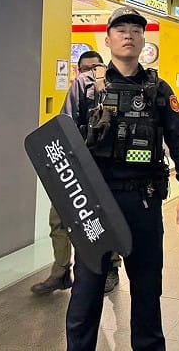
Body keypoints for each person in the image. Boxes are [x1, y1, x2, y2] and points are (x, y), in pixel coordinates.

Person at [61, 7, 179, 351]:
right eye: (121, 30)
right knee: (86, 293)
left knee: (148, 290)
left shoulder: (158, 89)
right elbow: (65, 143)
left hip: (143, 202)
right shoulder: (85, 87)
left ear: (143, 41)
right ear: (107, 40)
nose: (128, 35)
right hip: (95, 205)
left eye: (136, 30)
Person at [31, 51, 124, 296]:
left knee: (104, 220)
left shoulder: (114, 90)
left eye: (96, 67)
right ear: (78, 71)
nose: (91, 72)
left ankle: (111, 267)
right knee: (58, 219)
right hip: (74, 168)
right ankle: (60, 271)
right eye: (85, 68)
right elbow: (65, 124)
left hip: (103, 171)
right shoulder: (78, 91)